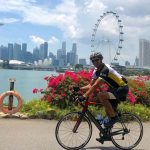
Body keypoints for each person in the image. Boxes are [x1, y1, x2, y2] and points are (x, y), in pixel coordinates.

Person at [75, 52, 129, 128]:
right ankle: (106, 134)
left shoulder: (105, 69)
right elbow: (90, 85)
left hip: (122, 88)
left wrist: (84, 96)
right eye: (93, 61)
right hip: (113, 89)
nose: (95, 62)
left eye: (97, 60)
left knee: (101, 95)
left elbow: (95, 85)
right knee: (108, 111)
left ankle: (114, 118)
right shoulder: (96, 71)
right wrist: (79, 89)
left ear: (101, 59)